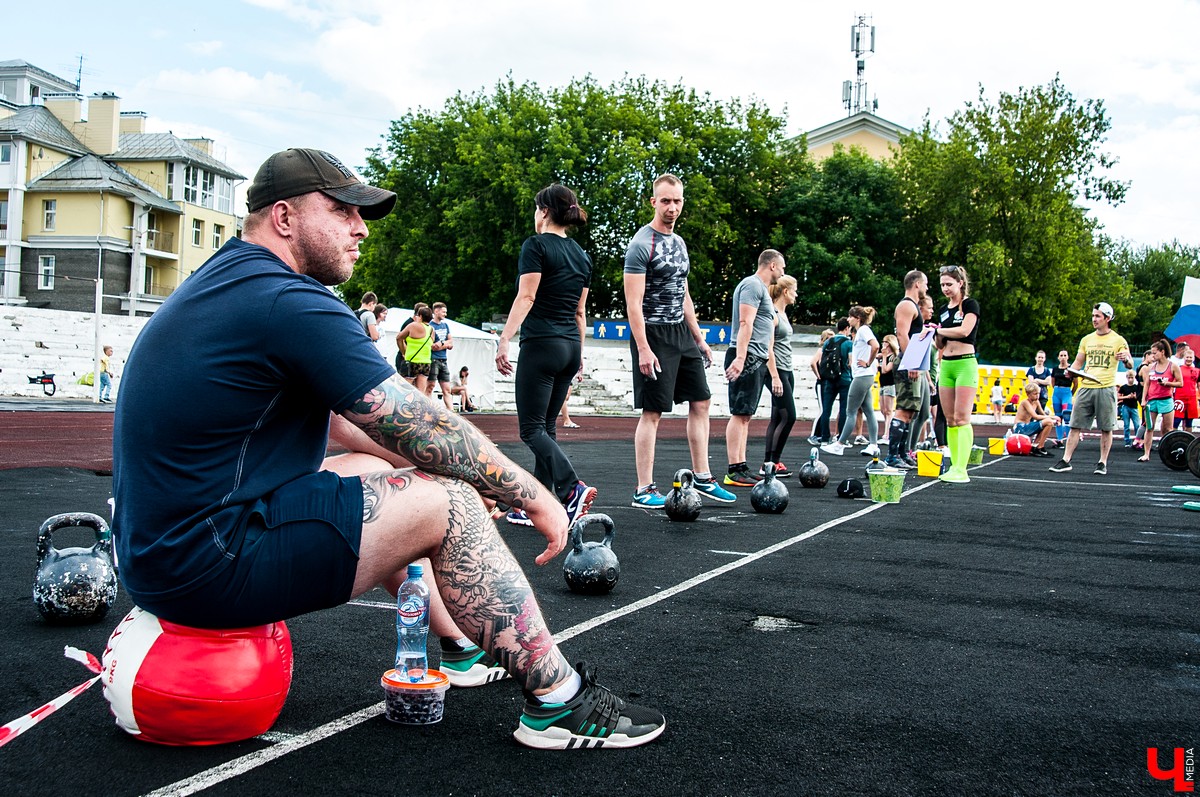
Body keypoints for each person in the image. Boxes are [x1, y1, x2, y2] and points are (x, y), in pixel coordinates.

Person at [111, 148, 666, 750]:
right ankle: (559, 702)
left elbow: (350, 430)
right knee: (446, 502)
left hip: (165, 551)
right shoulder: (286, 300)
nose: (361, 227)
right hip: (205, 563)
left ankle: (457, 642)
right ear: (284, 217)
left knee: (377, 470)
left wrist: (426, 474)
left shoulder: (229, 280)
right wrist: (528, 493)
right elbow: (418, 422)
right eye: (343, 211)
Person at [623, 174, 736, 507]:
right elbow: (633, 302)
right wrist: (643, 347)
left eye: (678, 201)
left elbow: (684, 294)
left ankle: (702, 476)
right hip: (653, 333)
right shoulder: (642, 243)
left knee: (701, 401)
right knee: (653, 411)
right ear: (653, 202)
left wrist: (699, 338)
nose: (672, 207)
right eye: (666, 201)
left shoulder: (680, 243)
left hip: (681, 333)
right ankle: (643, 488)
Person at [495, 183, 598, 528]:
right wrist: (579, 354)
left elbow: (527, 298)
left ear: (543, 211)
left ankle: (571, 489)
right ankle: (534, 506)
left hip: (541, 345)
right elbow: (581, 313)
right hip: (570, 346)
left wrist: (504, 339)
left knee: (531, 430)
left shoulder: (535, 246)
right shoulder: (582, 256)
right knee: (546, 429)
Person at [722, 250, 786, 486]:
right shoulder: (752, 285)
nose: (783, 272)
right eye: (782, 267)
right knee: (739, 414)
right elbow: (745, 322)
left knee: (745, 415)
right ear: (771, 265)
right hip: (746, 356)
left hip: (755, 357)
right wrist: (740, 358)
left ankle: (741, 465)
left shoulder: (762, 290)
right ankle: (733, 469)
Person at [1049, 302, 1134, 475]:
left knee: (1106, 427)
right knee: (1074, 425)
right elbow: (1079, 363)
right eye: (1093, 315)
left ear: (1107, 319)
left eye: (1098, 316)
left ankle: (1102, 463)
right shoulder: (1087, 339)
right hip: (1086, 386)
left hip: (1106, 387)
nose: (1094, 319)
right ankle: (1066, 460)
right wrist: (1070, 372)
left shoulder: (1118, 340)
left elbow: (1130, 363)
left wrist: (1125, 359)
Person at [934, 265, 980, 484]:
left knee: (962, 418)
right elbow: (939, 342)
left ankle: (962, 469)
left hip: (965, 364)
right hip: (947, 365)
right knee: (950, 420)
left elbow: (965, 331)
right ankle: (954, 465)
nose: (945, 289)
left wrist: (938, 330)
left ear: (960, 283)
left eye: (949, 284)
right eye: (943, 285)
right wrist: (934, 334)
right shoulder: (944, 309)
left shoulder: (970, 304)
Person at [821, 306, 881, 460]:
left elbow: (875, 346)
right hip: (865, 375)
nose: (848, 320)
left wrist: (868, 362)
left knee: (851, 411)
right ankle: (873, 444)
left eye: (850, 317)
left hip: (862, 376)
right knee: (868, 410)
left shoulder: (863, 330)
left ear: (857, 318)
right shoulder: (862, 331)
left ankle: (840, 444)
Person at [889, 269, 929, 468]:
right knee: (904, 410)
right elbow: (902, 334)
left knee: (911, 411)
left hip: (912, 363)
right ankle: (892, 456)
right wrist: (911, 360)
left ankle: (902, 454)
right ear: (917, 284)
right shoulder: (906, 305)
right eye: (926, 283)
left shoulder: (912, 305)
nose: (927, 287)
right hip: (907, 363)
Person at [760, 275, 799, 477]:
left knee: (777, 418)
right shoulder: (773, 314)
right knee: (789, 416)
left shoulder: (783, 314)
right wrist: (774, 376)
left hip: (786, 370)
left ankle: (770, 463)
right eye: (794, 290)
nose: (796, 294)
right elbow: (768, 347)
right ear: (785, 292)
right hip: (776, 371)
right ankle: (772, 463)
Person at [1138, 339, 1182, 461]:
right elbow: (1147, 384)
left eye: (1154, 353)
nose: (1153, 355)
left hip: (1166, 400)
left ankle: (1168, 453)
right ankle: (1146, 454)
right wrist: (1143, 400)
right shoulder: (1151, 367)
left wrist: (1167, 383)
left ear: (1162, 352)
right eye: (1152, 353)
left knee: (1167, 429)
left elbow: (1180, 383)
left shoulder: (1173, 366)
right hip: (1152, 401)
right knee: (1149, 428)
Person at [814, 318, 853, 445]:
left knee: (826, 408)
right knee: (843, 409)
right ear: (847, 328)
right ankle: (841, 438)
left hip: (829, 378)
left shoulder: (828, 342)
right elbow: (851, 362)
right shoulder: (848, 343)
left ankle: (824, 437)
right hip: (844, 378)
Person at [396, 306, 434, 395]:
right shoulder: (432, 330)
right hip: (426, 362)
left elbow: (399, 338)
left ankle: (403, 408)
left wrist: (403, 352)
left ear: (420, 316)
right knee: (420, 391)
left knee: (405, 390)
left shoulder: (413, 325)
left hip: (412, 361)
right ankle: (418, 408)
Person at [1013, 381, 1057, 456]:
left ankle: (1035, 446)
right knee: (1048, 422)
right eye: (1035, 394)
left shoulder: (1036, 402)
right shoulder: (1025, 402)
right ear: (1028, 394)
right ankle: (1040, 447)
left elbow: (1043, 414)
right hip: (1020, 427)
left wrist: (1053, 420)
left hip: (1027, 426)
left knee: (1049, 423)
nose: (1037, 396)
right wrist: (1052, 417)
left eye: (1038, 393)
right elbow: (1035, 416)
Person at [806, 329, 834, 445]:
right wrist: (818, 375)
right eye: (829, 338)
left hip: (827, 383)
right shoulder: (821, 350)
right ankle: (813, 435)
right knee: (822, 409)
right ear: (824, 339)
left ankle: (821, 434)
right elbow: (813, 362)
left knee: (825, 410)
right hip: (821, 383)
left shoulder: (830, 352)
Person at [429, 302, 454, 410]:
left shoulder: (446, 325)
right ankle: (428, 410)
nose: (445, 314)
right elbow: (432, 346)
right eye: (443, 312)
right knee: (430, 387)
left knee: (447, 389)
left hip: (443, 360)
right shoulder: (430, 326)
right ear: (436, 311)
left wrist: (442, 344)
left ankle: (452, 413)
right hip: (433, 360)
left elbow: (451, 342)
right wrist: (445, 344)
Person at [1048, 349, 1077, 446]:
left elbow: (1075, 383)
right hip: (1057, 393)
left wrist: (1070, 393)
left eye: (1065, 355)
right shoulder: (1055, 369)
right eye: (1061, 355)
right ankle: (1059, 439)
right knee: (1058, 417)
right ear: (1058, 357)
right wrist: (1056, 390)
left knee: (1067, 415)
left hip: (1067, 392)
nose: (1063, 357)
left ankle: (1069, 439)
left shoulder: (1071, 368)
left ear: (1068, 357)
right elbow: (1052, 381)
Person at [394, 302, 427, 381]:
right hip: (406, 359)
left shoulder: (420, 324)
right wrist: (405, 353)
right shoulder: (409, 323)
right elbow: (401, 339)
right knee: (405, 384)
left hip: (415, 359)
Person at [1173, 345, 1200, 431]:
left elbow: (1198, 384)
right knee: (1176, 421)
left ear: (1193, 359)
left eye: (1190, 357)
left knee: (1189, 422)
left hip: (1191, 399)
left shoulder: (1197, 371)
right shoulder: (1179, 369)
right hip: (1179, 398)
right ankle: (1173, 440)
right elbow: (1173, 382)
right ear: (1184, 358)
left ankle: (1188, 441)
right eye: (1187, 357)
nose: (1188, 359)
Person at [877, 334, 898, 443]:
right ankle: (887, 430)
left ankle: (887, 434)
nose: (883, 344)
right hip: (883, 384)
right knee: (883, 410)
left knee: (889, 411)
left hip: (890, 384)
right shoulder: (883, 356)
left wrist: (884, 357)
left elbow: (885, 370)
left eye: (885, 342)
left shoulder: (893, 356)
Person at [1117, 369, 1141, 447]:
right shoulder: (1123, 387)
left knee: (1137, 425)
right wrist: (1127, 397)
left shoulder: (1136, 387)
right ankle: (1127, 441)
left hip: (1134, 407)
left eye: (1132, 377)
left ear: (1134, 378)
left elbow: (1140, 396)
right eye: (1129, 377)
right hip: (1126, 407)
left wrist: (1135, 396)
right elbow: (1118, 397)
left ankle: (1138, 440)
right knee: (1126, 425)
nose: (1130, 379)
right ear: (1127, 378)